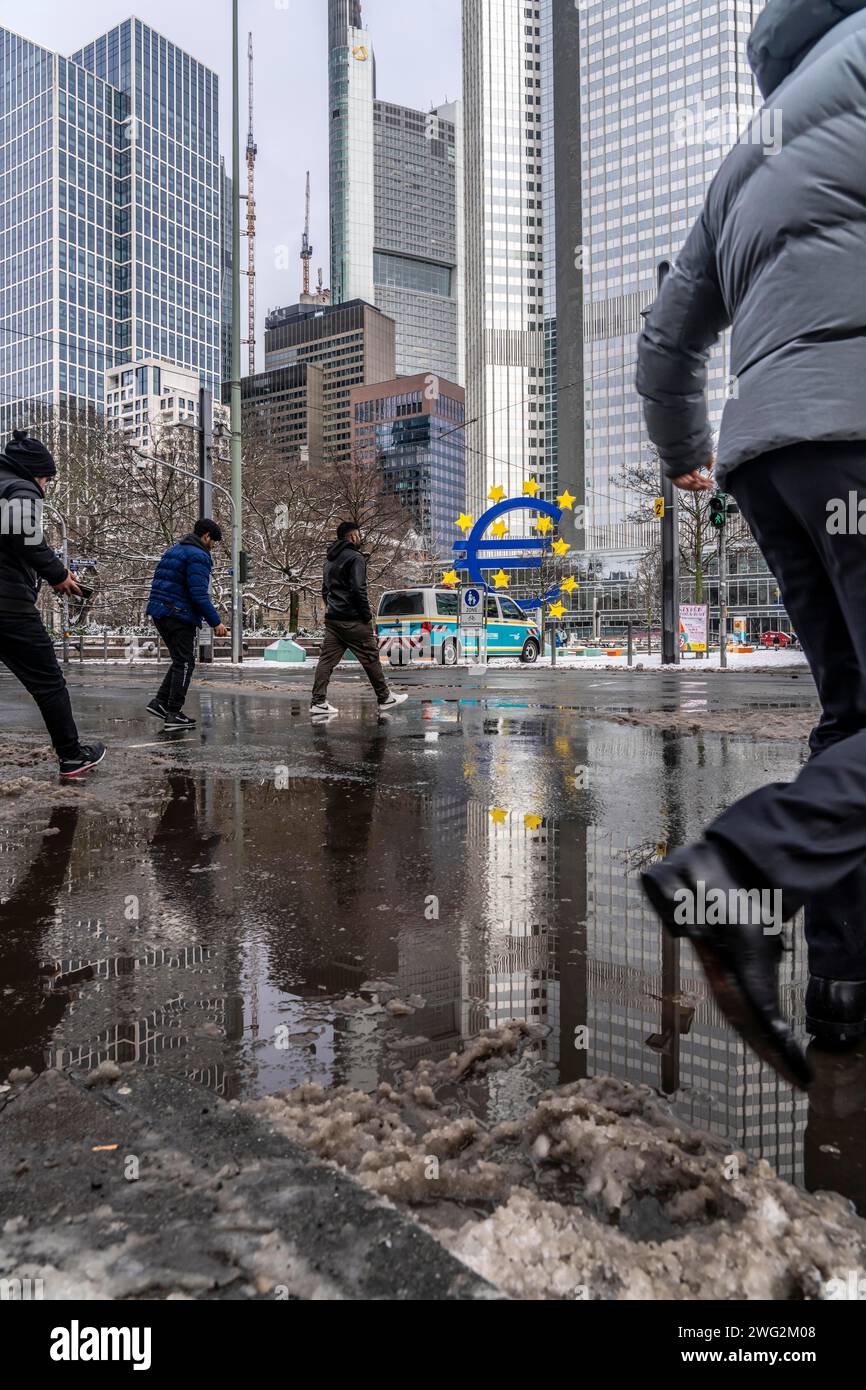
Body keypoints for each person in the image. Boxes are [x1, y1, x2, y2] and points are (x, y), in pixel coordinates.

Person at [636, 0, 866, 1090]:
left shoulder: (745, 157)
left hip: (770, 458)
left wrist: (685, 454)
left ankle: (843, 986)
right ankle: (742, 872)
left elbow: (664, 341)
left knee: (853, 718)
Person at [0, 429, 105, 779]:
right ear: (34, 472)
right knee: (48, 682)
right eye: (46, 479)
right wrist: (58, 574)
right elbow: (25, 537)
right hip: (8, 607)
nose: (45, 486)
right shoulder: (20, 488)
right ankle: (72, 756)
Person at [310, 521, 408, 717]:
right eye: (359, 535)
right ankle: (385, 698)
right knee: (371, 657)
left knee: (326, 662)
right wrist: (365, 615)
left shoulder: (329, 560)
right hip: (353, 620)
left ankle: (318, 702)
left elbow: (325, 591)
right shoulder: (356, 558)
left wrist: (333, 608)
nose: (360, 538)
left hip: (333, 620)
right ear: (353, 536)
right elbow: (358, 589)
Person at [146, 519, 228, 730]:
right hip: (178, 614)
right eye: (213, 541)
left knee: (179, 660)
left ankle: (160, 703)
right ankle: (174, 713)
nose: (213, 546)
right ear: (206, 536)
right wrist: (216, 622)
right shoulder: (198, 555)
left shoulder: (175, 549)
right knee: (185, 663)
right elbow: (198, 594)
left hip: (160, 611)